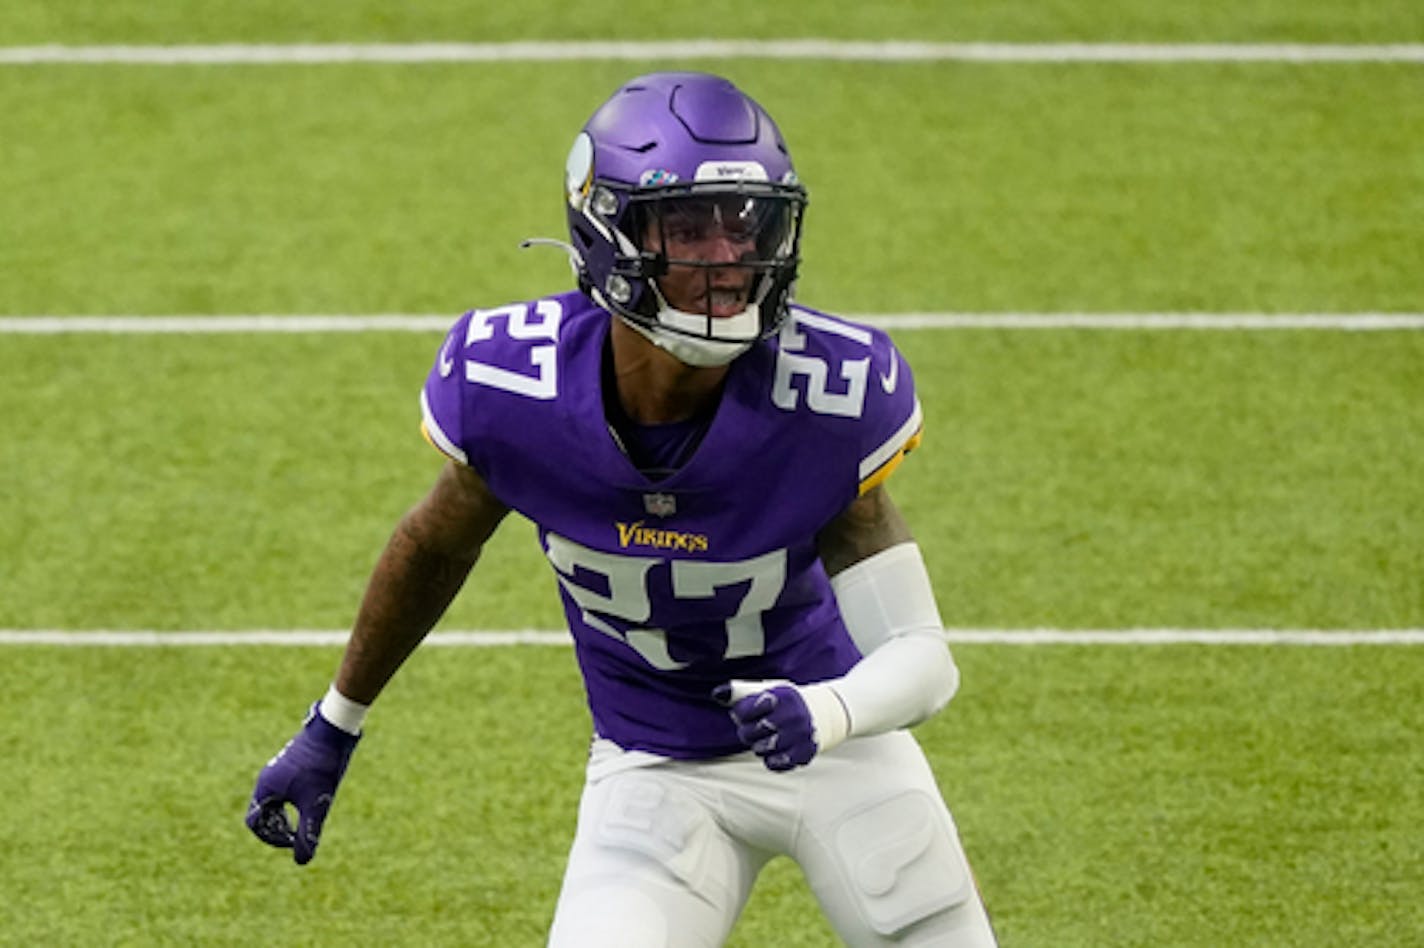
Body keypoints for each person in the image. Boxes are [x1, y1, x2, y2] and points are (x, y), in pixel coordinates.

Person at [246, 71, 998, 947]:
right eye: (687, 227)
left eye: (746, 225)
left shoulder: (828, 398)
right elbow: (434, 546)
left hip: (841, 747)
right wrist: (334, 725)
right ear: (607, 235)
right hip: (653, 764)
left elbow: (922, 660)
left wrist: (825, 713)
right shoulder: (512, 391)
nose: (727, 260)